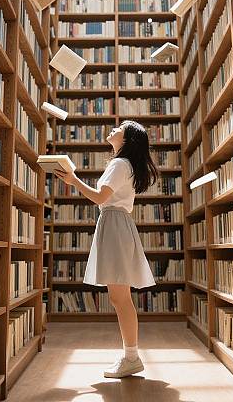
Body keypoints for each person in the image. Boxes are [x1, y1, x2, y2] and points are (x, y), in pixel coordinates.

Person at [55, 120, 159, 379]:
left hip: (114, 223)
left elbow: (100, 197)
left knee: (120, 297)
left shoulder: (119, 164)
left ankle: (132, 357)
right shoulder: (124, 164)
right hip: (116, 223)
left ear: (128, 138)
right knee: (120, 296)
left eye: (122, 126)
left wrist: (73, 179)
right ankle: (131, 355)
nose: (115, 127)